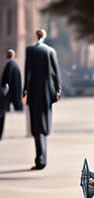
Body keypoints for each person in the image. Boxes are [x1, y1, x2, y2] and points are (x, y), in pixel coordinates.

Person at [23, 30, 61, 170]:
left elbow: (27, 72)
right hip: (46, 92)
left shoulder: (30, 50)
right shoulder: (50, 51)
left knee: (36, 124)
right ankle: (41, 157)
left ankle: (40, 158)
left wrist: (24, 91)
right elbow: (55, 74)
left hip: (33, 92)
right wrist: (58, 90)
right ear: (44, 36)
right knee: (44, 123)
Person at [1, 49, 23, 140]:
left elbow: (6, 83)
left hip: (6, 96)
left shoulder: (9, 66)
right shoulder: (15, 65)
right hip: (12, 96)